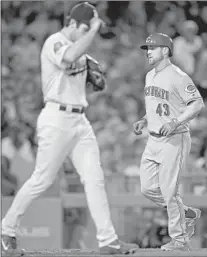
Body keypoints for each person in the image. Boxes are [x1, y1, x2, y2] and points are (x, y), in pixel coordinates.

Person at [1, 2, 138, 255]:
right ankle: (7, 229)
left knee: (95, 178)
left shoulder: (82, 51)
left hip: (80, 121)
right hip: (56, 119)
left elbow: (94, 76)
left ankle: (108, 240)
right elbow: (69, 56)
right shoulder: (55, 41)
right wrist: (94, 30)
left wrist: (97, 77)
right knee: (42, 180)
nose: (88, 32)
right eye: (85, 27)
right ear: (72, 24)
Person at [133, 33, 204, 251]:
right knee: (146, 188)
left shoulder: (178, 75)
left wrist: (175, 121)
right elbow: (156, 105)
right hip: (153, 139)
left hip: (175, 138)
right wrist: (144, 120)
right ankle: (185, 212)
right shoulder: (149, 76)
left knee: (169, 190)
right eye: (147, 48)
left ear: (165, 50)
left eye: (152, 48)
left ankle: (180, 240)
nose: (148, 52)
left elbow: (197, 104)